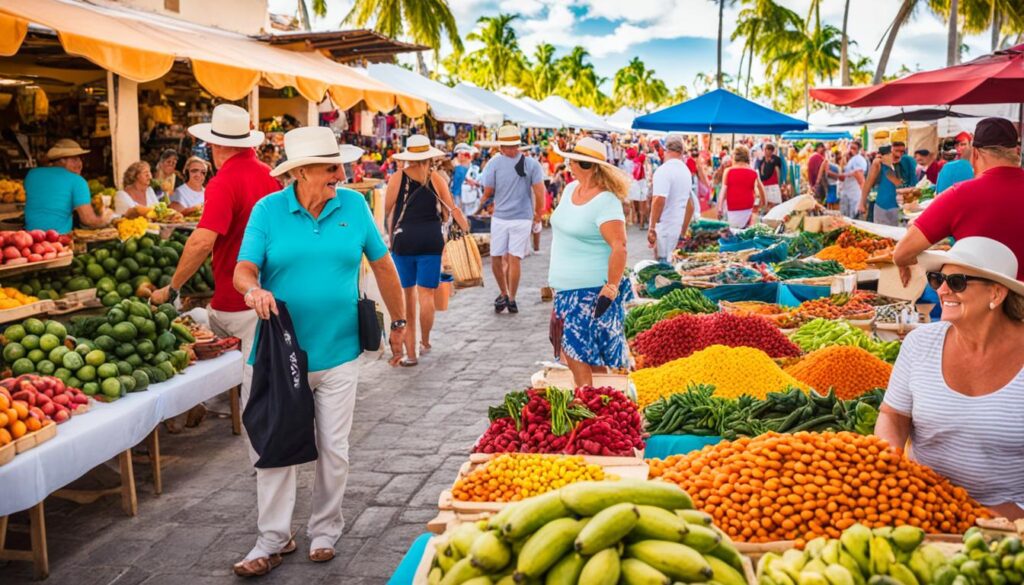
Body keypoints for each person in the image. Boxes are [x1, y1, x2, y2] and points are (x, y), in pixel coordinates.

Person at [232, 126, 408, 577]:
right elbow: (244, 269)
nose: (340, 173)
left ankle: (325, 529)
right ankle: (272, 537)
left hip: (339, 353)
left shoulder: (352, 205)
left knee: (334, 446)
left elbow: (384, 265)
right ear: (302, 172)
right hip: (278, 356)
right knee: (274, 446)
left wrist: (401, 323)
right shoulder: (268, 211)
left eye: (339, 165)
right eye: (330, 168)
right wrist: (253, 292)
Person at [151, 104, 281, 433]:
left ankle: (264, 458)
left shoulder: (224, 181)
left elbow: (201, 242)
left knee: (253, 385)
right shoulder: (269, 175)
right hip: (268, 292)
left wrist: (174, 287)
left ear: (215, 146)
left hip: (236, 299)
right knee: (262, 378)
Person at [876, 237, 1024, 520]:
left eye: (957, 282)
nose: (942, 290)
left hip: (1011, 525)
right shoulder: (920, 343)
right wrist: (890, 466)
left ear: (996, 294)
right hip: (924, 509)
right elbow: (893, 415)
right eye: (937, 279)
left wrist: (997, 515)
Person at [894, 117, 1024, 282]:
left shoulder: (959, 195)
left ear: (975, 153)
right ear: (1017, 152)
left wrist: (907, 262)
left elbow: (901, 253)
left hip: (982, 303)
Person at [549, 137, 631, 387]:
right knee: (577, 355)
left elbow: (620, 246)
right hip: (565, 292)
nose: (570, 165)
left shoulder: (606, 201)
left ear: (590, 167)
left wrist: (611, 288)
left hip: (590, 294)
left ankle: (590, 406)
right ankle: (593, 406)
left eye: (575, 161)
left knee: (580, 357)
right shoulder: (570, 190)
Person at [386, 135, 468, 366]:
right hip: (431, 240)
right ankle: (426, 340)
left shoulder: (397, 178)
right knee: (427, 295)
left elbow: (388, 210)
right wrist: (464, 228)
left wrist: (391, 236)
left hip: (404, 240)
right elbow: (450, 208)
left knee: (408, 296)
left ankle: (410, 353)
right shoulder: (436, 178)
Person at [475, 125, 545, 314]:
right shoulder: (531, 164)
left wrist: (479, 207)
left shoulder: (493, 164)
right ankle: (510, 297)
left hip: (502, 218)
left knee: (497, 257)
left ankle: (506, 293)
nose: (512, 149)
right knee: (513, 259)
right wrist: (539, 214)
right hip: (522, 218)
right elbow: (540, 191)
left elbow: (488, 192)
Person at [24, 139, 112, 233]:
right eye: (74, 160)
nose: (80, 164)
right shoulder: (77, 181)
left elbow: (48, 200)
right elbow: (88, 220)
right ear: (62, 160)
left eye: (80, 159)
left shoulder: (32, 174)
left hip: (30, 239)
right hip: (58, 240)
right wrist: (106, 218)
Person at [648, 134, 695, 261]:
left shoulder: (663, 170)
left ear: (665, 149)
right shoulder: (685, 171)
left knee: (664, 271)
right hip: (677, 228)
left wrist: (652, 228)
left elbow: (658, 200)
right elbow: (690, 206)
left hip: (665, 230)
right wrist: (683, 232)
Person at [717, 145, 764, 229]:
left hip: (733, 208)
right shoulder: (753, 172)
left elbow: (723, 192)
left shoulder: (728, 171)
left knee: (734, 232)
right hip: (748, 207)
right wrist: (762, 204)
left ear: (734, 157)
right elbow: (762, 192)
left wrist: (720, 208)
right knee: (746, 234)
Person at [859, 145, 903, 226]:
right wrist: (862, 203)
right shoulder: (878, 164)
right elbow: (868, 184)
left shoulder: (899, 164)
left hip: (898, 207)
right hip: (882, 207)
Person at [839, 140, 868, 218]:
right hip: (848, 194)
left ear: (858, 150)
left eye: (854, 148)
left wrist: (863, 200)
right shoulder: (851, 160)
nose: (851, 150)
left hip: (854, 195)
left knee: (853, 220)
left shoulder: (858, 159)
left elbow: (860, 178)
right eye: (850, 147)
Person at [624, 147, 649, 229]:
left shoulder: (636, 166)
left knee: (634, 206)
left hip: (635, 187)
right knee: (643, 207)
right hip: (643, 187)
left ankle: (635, 220)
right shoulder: (643, 167)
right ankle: (642, 223)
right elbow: (646, 179)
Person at [755, 143, 784, 211]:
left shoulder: (775, 159)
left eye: (769, 151)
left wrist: (779, 184)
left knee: (773, 206)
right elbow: (760, 173)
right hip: (766, 185)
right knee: (766, 206)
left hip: (773, 185)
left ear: (772, 151)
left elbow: (777, 172)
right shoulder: (762, 161)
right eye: (766, 151)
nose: (767, 153)